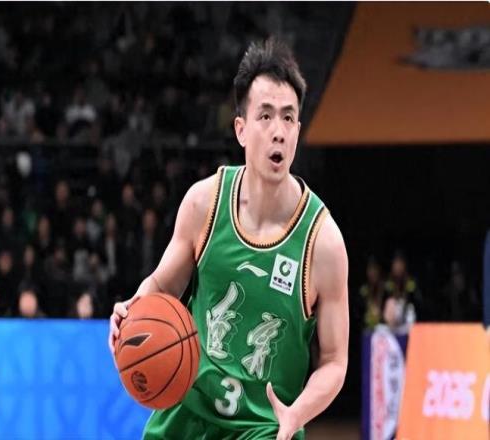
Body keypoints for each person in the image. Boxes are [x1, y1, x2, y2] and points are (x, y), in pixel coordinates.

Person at [109, 37, 349, 440]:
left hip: (263, 428)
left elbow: (334, 360)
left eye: (288, 118)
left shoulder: (322, 243)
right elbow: (162, 286)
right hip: (187, 412)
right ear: (241, 129)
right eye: (265, 116)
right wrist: (132, 310)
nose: (278, 132)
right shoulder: (203, 203)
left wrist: (297, 413)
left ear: (298, 130)